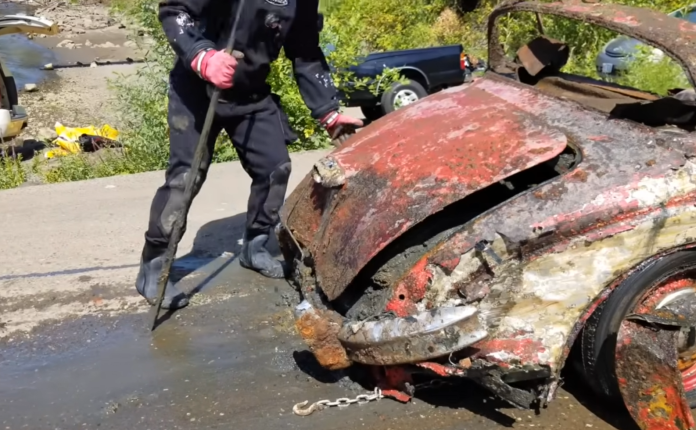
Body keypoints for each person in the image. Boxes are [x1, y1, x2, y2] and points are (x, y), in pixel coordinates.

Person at [135, 0, 363, 310]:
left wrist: (329, 113)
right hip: (196, 90)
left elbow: (306, 53)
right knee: (185, 179)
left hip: (250, 94)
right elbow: (174, 11)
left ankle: (254, 247)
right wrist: (203, 57)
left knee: (275, 169)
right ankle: (154, 265)